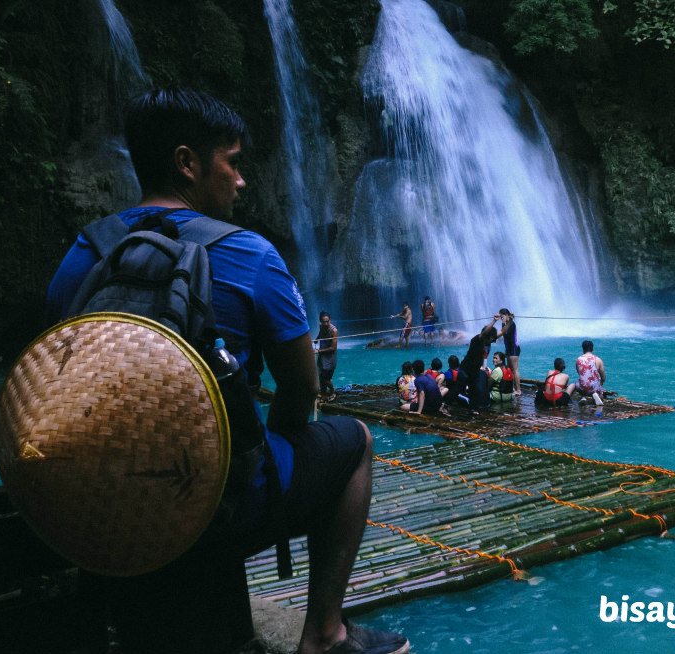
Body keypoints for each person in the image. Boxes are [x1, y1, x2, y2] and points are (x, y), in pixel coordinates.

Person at [44, 88, 408, 654]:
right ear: (187, 163)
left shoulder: (83, 255)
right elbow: (303, 386)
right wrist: (268, 453)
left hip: (105, 506)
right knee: (354, 441)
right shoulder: (251, 255)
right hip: (219, 504)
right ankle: (325, 634)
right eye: (233, 163)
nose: (241, 181)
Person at [460, 317, 498, 412]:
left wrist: (509, 321)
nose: (492, 341)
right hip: (466, 369)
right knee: (458, 390)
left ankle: (472, 409)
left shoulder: (485, 343)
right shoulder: (476, 340)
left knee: (473, 390)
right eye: (491, 339)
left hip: (474, 370)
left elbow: (500, 333)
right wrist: (494, 320)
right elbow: (485, 332)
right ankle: (446, 405)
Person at [496, 308, 521, 397]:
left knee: (515, 370)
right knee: (510, 369)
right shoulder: (506, 324)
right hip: (509, 349)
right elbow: (504, 333)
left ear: (507, 315)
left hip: (514, 348)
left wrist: (507, 321)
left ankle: (518, 390)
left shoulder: (512, 324)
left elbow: (505, 334)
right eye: (500, 317)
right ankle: (512, 388)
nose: (501, 318)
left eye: (502, 316)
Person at [315, 311, 338, 402]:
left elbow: (333, 348)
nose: (325, 323)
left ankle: (333, 392)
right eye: (323, 322)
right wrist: (317, 339)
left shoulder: (334, 331)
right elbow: (320, 333)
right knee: (321, 376)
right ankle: (323, 394)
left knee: (326, 378)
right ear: (320, 321)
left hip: (330, 358)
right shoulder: (321, 326)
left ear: (329, 320)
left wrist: (319, 351)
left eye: (327, 321)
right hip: (322, 357)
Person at [575, 339, 606, 408]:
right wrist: (601, 382)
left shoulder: (578, 359)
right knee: (599, 390)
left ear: (583, 349)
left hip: (583, 387)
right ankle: (596, 395)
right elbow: (603, 376)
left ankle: (584, 396)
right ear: (592, 349)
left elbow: (580, 374)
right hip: (593, 387)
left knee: (577, 384)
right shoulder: (598, 359)